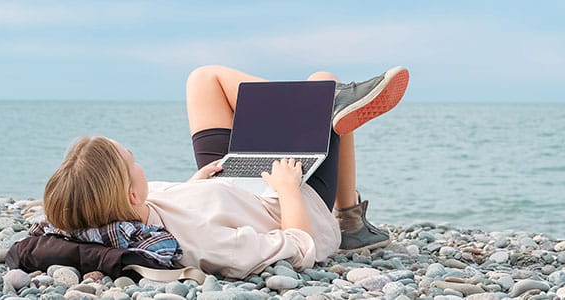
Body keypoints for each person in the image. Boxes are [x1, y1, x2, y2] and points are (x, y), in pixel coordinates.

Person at [41, 65, 409, 278]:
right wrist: (290, 188)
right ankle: (348, 220)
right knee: (322, 78)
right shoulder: (206, 242)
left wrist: (192, 186)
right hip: (285, 196)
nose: (141, 166)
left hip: (225, 182)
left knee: (204, 79)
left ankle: (323, 106)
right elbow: (299, 248)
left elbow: (160, 206)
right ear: (132, 195)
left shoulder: (126, 209)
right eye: (133, 160)